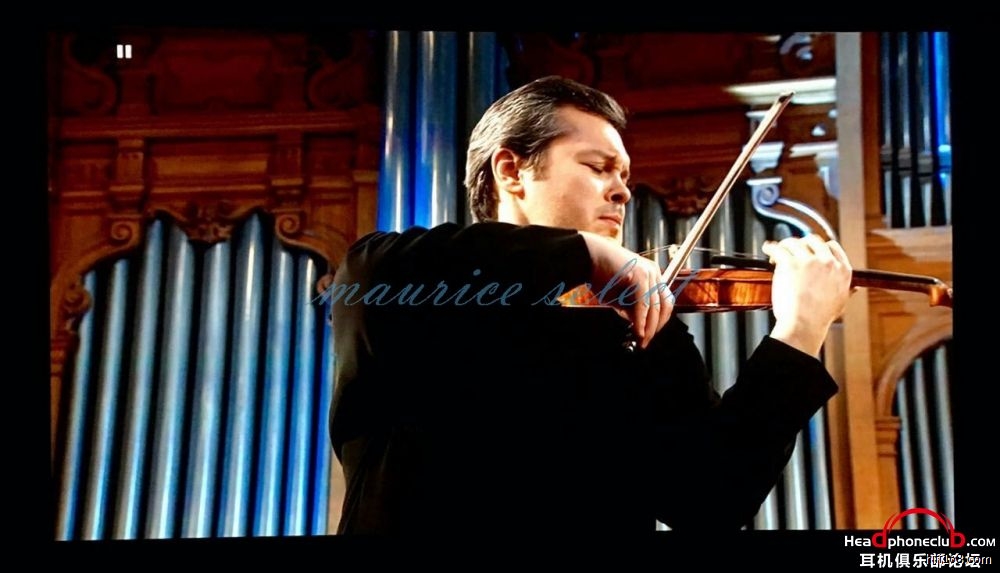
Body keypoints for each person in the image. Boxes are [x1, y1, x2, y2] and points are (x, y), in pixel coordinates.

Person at [326, 75, 852, 535]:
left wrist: (798, 333)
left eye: (625, 177)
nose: (623, 193)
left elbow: (711, 496)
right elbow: (369, 271)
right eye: (599, 167)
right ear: (510, 170)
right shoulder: (417, 290)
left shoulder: (633, 322)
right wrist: (584, 251)